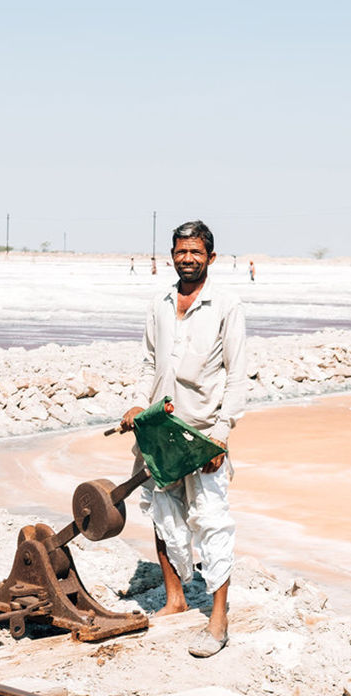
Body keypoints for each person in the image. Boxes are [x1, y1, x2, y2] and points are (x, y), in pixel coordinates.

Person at [120, 220, 246, 659]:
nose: (187, 259)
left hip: (202, 430)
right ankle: (175, 599)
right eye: (180, 252)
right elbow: (147, 362)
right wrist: (137, 405)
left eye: (195, 252)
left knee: (211, 520)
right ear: (170, 255)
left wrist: (221, 435)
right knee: (162, 512)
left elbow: (237, 374)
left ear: (210, 257)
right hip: (157, 426)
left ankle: (218, 617)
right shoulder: (159, 302)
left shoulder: (225, 305)